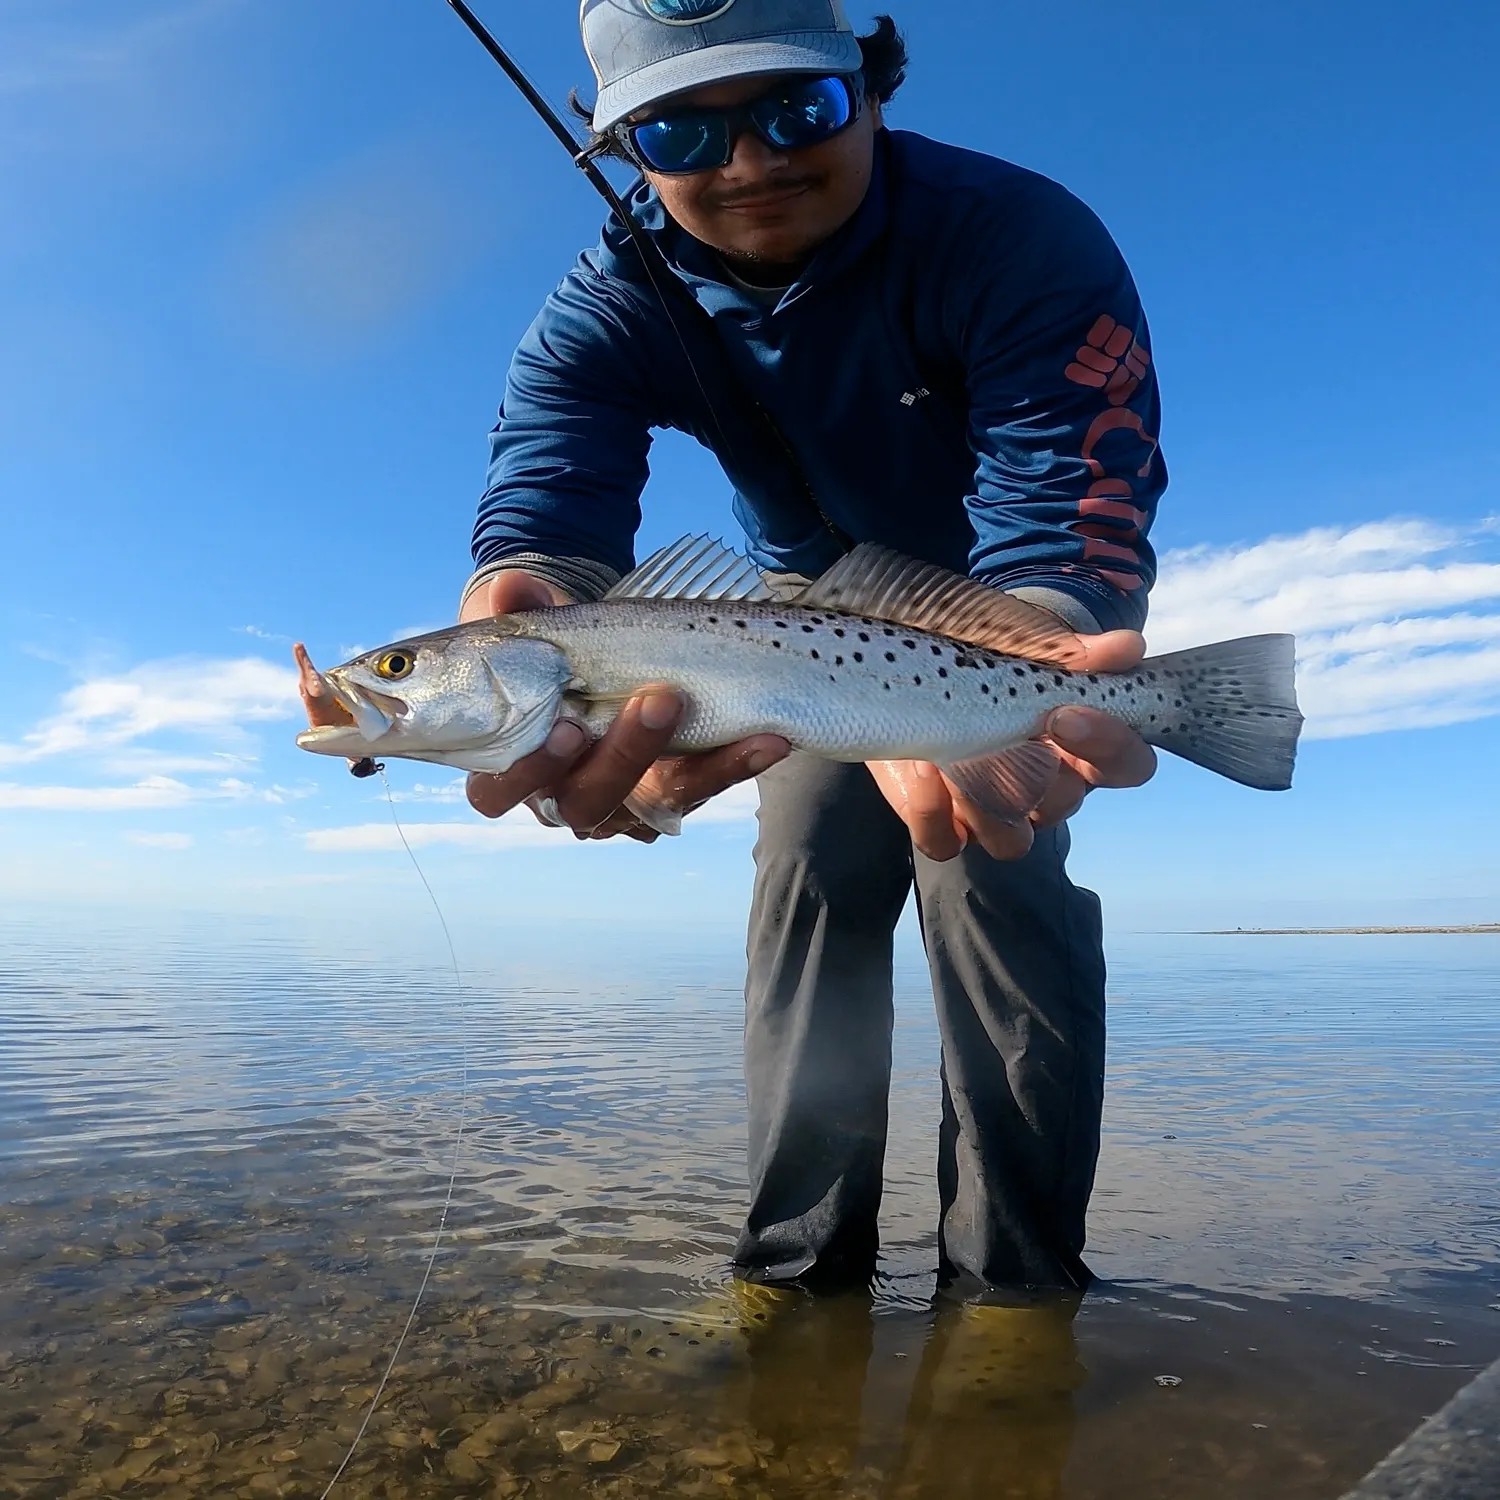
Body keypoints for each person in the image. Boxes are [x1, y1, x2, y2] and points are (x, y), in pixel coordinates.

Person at [459, 0, 1163, 1294]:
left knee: (991, 874)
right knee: (804, 885)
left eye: (796, 109)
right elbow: (549, 495)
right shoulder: (608, 301)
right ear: (623, 152)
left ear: (867, 82)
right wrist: (520, 598)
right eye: (677, 130)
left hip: (988, 612)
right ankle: (794, 1284)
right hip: (786, 626)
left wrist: (1045, 650)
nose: (747, 164)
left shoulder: (1016, 235)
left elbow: (1072, 480)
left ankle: (1018, 1290)